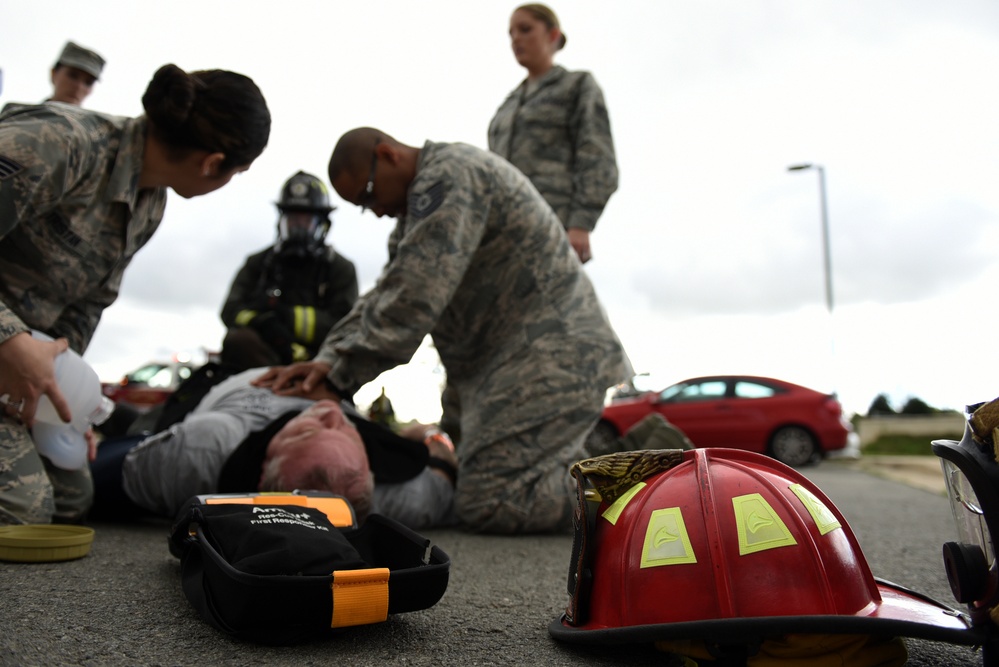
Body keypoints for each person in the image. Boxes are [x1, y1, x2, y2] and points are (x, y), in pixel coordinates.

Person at [254, 126, 631, 535]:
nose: (375, 210)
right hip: (501, 365)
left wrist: (340, 379)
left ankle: (644, 481)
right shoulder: (414, 214)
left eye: (368, 194)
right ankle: (610, 455)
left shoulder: (451, 177)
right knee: (461, 470)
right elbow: (386, 292)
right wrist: (325, 362)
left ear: (389, 154)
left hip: (552, 355)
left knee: (493, 500)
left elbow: (414, 298)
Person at [0, 63, 271, 526]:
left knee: (71, 499)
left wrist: (65, 408)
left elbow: (85, 307)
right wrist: (10, 340)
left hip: (18, 373)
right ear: (212, 163)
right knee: (23, 511)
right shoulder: (59, 144)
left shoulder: (148, 202)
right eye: (236, 172)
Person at [89, 368, 457, 529]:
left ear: (266, 463)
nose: (330, 411)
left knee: (137, 425)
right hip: (286, 370)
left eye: (307, 432)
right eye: (344, 430)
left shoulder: (198, 452)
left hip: (230, 392)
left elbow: (92, 476)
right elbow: (442, 467)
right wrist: (432, 435)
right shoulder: (400, 498)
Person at [487, 3, 618, 265]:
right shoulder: (507, 107)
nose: (516, 40)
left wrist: (581, 224)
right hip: (503, 236)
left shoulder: (577, 86)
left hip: (553, 228)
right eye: (511, 33)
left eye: (525, 30)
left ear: (553, 35)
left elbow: (597, 158)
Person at [220, 171, 358, 371]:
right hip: (262, 358)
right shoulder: (259, 263)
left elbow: (345, 326)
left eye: (306, 221)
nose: (298, 228)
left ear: (323, 225)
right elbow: (230, 310)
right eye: (293, 220)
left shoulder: (339, 268)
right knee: (239, 340)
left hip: (315, 361)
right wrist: (262, 322)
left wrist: (289, 319)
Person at [48, 41, 105, 107]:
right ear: (54, 73)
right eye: (73, 76)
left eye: (88, 82)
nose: (79, 87)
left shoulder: (95, 117)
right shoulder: (34, 114)